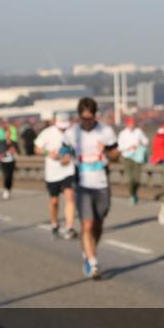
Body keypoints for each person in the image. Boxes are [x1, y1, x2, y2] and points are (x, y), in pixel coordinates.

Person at [62, 97, 118, 279]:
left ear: (95, 116)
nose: (86, 122)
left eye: (89, 118)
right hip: (82, 184)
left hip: (101, 183)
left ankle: (89, 250)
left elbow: (116, 155)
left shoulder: (106, 131)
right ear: (79, 117)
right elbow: (64, 150)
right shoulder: (72, 133)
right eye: (83, 118)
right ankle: (92, 262)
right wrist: (63, 157)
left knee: (98, 224)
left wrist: (108, 151)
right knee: (87, 224)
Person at [35, 113, 78, 239]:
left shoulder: (73, 132)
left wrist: (70, 156)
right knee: (54, 201)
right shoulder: (47, 133)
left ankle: (69, 227)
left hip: (68, 170)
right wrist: (48, 153)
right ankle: (54, 224)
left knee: (70, 196)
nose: (63, 129)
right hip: (52, 173)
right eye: (61, 127)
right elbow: (37, 148)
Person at [118, 116, 150, 205]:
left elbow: (146, 141)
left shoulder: (138, 132)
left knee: (137, 179)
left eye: (132, 124)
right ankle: (131, 195)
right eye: (130, 124)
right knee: (130, 178)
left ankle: (135, 193)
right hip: (127, 157)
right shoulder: (122, 134)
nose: (131, 125)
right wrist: (129, 147)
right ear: (127, 124)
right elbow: (120, 147)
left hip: (137, 157)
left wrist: (141, 143)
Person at [0, 126, 18, 200]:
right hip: (4, 161)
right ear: (5, 134)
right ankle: (5, 190)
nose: (8, 135)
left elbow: (17, 153)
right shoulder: (1, 142)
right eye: (6, 133)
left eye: (9, 133)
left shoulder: (14, 143)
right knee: (6, 176)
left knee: (10, 177)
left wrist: (14, 151)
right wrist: (6, 152)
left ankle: (8, 189)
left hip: (11, 161)